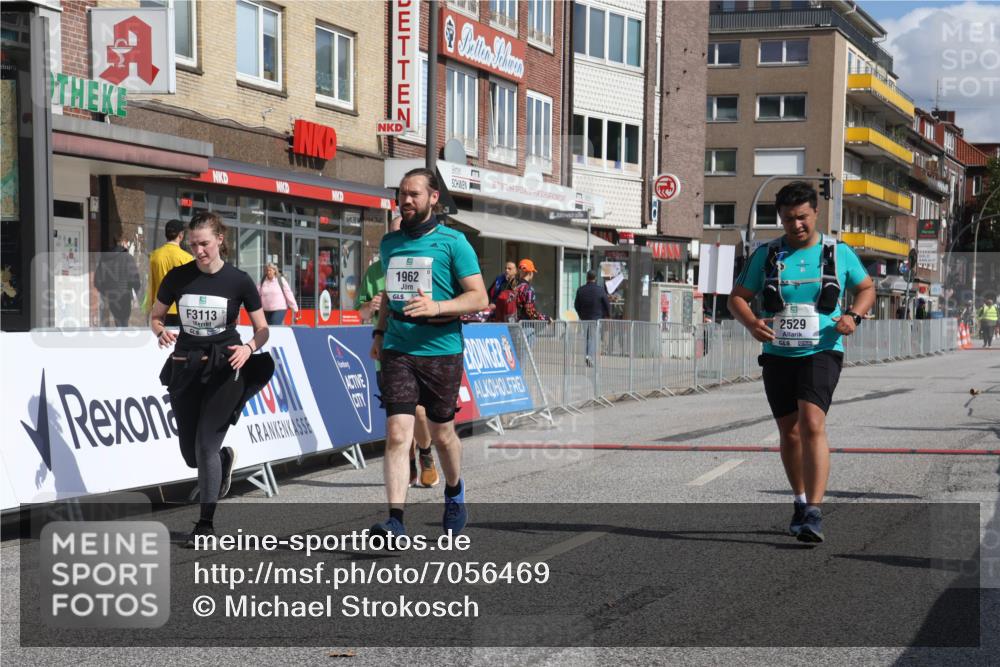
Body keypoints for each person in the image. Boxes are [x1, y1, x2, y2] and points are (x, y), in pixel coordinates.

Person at [728, 181, 875, 544]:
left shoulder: (837, 252)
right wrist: (752, 323)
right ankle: (799, 500)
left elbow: (866, 288)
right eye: (789, 219)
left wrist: (853, 316)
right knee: (789, 432)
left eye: (803, 217)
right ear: (780, 218)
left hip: (822, 349)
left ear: (815, 213)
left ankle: (814, 511)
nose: (797, 225)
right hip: (778, 353)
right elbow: (737, 298)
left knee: (811, 423)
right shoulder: (767, 254)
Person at [369, 167, 488, 540]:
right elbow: (390, 293)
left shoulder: (454, 242)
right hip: (398, 348)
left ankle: (454, 490)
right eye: (402, 193)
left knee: (442, 433)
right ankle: (395, 521)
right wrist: (379, 332)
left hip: (441, 349)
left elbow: (479, 297)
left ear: (434, 198)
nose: (405, 200)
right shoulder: (390, 243)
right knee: (397, 432)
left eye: (414, 194)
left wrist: (437, 307)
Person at [151, 212, 273, 548]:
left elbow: (263, 329)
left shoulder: (239, 281)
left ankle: (205, 525)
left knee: (206, 445)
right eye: (193, 245)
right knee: (192, 456)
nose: (199, 250)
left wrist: (248, 348)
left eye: (204, 243)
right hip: (186, 368)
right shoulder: (178, 277)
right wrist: (160, 331)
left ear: (220, 239)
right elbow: (155, 316)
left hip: (225, 369)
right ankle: (223, 460)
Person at [357, 217, 440, 489]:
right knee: (398, 419)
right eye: (393, 235)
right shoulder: (375, 272)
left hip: (418, 349)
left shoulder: (423, 263)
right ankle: (409, 462)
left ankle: (425, 453)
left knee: (419, 413)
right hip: (388, 353)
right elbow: (361, 313)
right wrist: (371, 306)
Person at [146, 219, 194, 326]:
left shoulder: (154, 256)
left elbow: (150, 285)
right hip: (181, 309)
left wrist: (149, 309)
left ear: (166, 235)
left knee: (162, 336)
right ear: (181, 235)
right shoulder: (187, 258)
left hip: (159, 308)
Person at [95, 233, 141, 327]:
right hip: (125, 295)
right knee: (124, 322)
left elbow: (98, 281)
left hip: (112, 296)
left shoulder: (104, 258)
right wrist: (136, 291)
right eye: (127, 242)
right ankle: (123, 335)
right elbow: (134, 278)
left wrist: (106, 291)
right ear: (123, 242)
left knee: (118, 321)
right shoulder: (127, 257)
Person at [574, 269, 611, 366]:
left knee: (587, 337)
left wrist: (580, 314)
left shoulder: (581, 290)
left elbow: (576, 305)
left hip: (584, 317)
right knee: (592, 337)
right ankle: (589, 356)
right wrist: (607, 314)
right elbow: (606, 304)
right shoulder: (600, 290)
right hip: (596, 318)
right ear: (595, 278)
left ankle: (588, 354)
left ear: (587, 277)